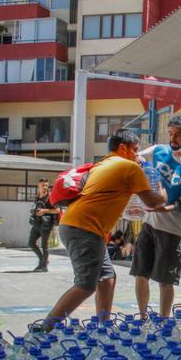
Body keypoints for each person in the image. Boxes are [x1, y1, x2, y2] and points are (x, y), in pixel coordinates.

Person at [43, 129, 166, 328]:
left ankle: (104, 327)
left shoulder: (101, 165)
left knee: (107, 277)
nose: (138, 156)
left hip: (79, 225)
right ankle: (43, 329)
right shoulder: (129, 167)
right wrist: (162, 187)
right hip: (84, 228)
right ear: (123, 147)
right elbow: (153, 202)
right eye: (135, 150)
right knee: (85, 284)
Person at [131, 114, 181, 319]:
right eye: (171, 133)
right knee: (140, 274)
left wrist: (170, 207)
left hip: (171, 228)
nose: (173, 139)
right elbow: (136, 159)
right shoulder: (157, 150)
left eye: (178, 135)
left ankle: (163, 321)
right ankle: (143, 316)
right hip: (149, 223)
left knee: (165, 280)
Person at [28, 178, 58, 272]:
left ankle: (43, 266)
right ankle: (43, 260)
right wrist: (33, 211)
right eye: (42, 185)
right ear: (38, 186)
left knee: (44, 246)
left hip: (46, 225)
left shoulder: (50, 197)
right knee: (31, 243)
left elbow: (58, 210)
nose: (45, 187)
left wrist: (45, 211)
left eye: (46, 185)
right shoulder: (37, 197)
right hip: (36, 223)